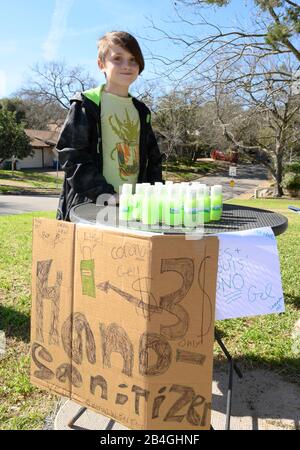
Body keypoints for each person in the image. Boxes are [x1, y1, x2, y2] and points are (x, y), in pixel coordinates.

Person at [55, 31, 163, 221]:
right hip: (91, 204)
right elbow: (71, 155)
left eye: (133, 60)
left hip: (133, 207)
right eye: (117, 59)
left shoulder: (141, 111)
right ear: (101, 64)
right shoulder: (87, 104)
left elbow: (153, 160)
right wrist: (105, 194)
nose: (127, 66)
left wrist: (155, 194)